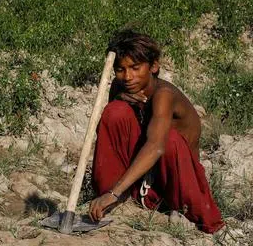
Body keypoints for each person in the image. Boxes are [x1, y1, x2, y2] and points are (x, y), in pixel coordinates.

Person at [87, 30, 225, 233]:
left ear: (154, 66)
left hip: (175, 181)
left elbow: (156, 146)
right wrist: (119, 101)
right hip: (141, 177)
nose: (128, 77)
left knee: (169, 138)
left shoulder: (164, 95)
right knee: (115, 112)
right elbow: (113, 137)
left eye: (135, 68)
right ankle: (111, 200)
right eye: (120, 69)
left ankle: (179, 210)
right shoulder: (120, 86)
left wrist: (114, 193)